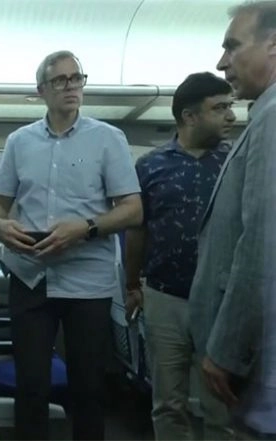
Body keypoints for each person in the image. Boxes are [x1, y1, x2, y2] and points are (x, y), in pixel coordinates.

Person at [0, 50, 143, 440]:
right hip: (31, 276)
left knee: (88, 387)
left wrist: (84, 229)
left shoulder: (108, 139)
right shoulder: (20, 142)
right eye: (60, 80)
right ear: (42, 90)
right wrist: (0, 226)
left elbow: (133, 209)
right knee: (31, 386)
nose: (71, 86)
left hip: (88, 282)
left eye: (77, 78)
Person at [124, 72, 236, 440]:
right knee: (168, 403)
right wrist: (132, 284)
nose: (230, 116)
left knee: (222, 403)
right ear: (189, 116)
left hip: (221, 300)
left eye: (230, 106)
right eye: (219, 108)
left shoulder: (236, 163)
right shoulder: (151, 166)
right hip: (165, 297)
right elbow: (137, 230)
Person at [189, 1, 276, 438]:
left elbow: (262, 244)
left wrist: (226, 349)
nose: (222, 63)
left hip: (257, 358)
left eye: (232, 46)